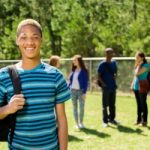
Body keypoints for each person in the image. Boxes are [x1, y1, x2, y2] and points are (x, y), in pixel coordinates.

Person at [0, 19, 70, 150]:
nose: (29, 42)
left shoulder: (55, 75)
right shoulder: (4, 76)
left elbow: (61, 120)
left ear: (41, 40)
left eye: (35, 37)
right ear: (17, 41)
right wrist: (8, 108)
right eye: (24, 37)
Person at [97, 48, 119, 127]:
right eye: (109, 53)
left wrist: (115, 75)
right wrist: (103, 84)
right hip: (106, 87)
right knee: (105, 105)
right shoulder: (102, 64)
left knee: (112, 104)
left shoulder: (114, 63)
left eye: (112, 53)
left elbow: (116, 71)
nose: (111, 55)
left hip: (113, 86)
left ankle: (112, 119)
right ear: (106, 54)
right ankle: (105, 121)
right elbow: (99, 76)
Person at [69, 55, 89, 129]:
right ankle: (77, 123)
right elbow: (70, 81)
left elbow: (86, 82)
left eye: (75, 60)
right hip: (73, 91)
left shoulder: (84, 71)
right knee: (75, 108)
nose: (73, 62)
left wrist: (84, 93)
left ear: (79, 61)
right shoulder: (73, 70)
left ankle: (81, 123)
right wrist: (69, 88)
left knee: (81, 108)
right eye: (73, 60)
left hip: (81, 92)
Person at [131, 52, 150, 127]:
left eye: (137, 57)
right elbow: (134, 75)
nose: (136, 59)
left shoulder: (146, 65)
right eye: (135, 57)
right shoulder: (138, 65)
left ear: (142, 58)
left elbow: (137, 73)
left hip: (143, 86)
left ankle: (144, 121)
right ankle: (138, 120)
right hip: (136, 86)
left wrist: (138, 65)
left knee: (143, 104)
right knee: (138, 104)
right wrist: (132, 84)